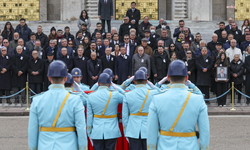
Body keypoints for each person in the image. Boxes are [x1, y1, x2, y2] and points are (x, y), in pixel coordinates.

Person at [147, 60, 209, 150]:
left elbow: (151, 130)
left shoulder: (157, 99)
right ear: (187, 78)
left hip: (164, 146)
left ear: (168, 77)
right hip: (190, 146)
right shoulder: (198, 99)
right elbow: (204, 130)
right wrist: (204, 148)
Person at [28, 60, 88, 150]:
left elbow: (32, 129)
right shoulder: (75, 100)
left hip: (44, 146)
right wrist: (83, 147)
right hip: (69, 146)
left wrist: (32, 148)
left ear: (49, 78)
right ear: (65, 78)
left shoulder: (37, 100)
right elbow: (81, 128)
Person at [122, 70, 159, 150]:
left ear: (134, 81)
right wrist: (152, 85)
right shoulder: (154, 93)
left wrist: (126, 132)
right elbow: (160, 92)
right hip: (149, 129)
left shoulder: (127, 95)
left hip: (132, 130)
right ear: (146, 81)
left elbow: (125, 117)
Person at [87, 73, 123, 150]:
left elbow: (89, 116)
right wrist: (116, 87)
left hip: (96, 131)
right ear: (110, 84)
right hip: (111, 130)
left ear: (98, 83)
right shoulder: (115, 95)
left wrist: (89, 131)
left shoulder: (91, 96)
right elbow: (126, 97)